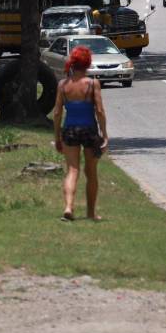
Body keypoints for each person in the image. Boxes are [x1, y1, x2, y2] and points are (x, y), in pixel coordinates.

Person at [52, 45, 109, 221]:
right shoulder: (92, 84)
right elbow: (99, 111)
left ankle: (69, 207)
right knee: (91, 172)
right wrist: (104, 134)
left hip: (70, 130)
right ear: (88, 64)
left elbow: (56, 113)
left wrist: (57, 137)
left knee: (72, 170)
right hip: (89, 131)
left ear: (72, 63)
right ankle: (91, 213)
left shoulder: (63, 85)